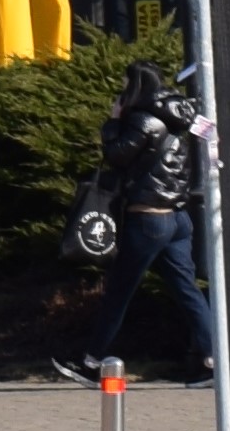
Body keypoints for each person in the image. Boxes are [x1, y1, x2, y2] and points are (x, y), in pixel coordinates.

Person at [67, 62, 211, 384]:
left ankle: (92, 364)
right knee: (187, 290)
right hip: (178, 218)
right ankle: (212, 359)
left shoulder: (143, 119)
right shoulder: (182, 116)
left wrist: (112, 121)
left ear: (134, 85)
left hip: (148, 219)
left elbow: (116, 155)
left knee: (118, 292)